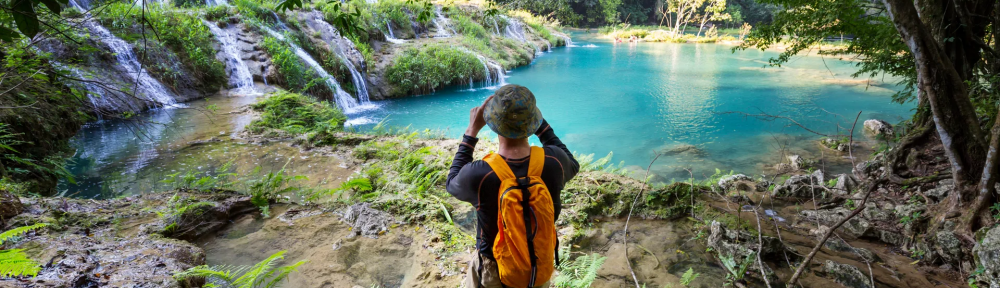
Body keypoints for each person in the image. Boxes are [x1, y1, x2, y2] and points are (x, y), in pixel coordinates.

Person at [446, 84, 580, 288]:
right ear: (533, 123)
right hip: (538, 266)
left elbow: (451, 181)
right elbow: (573, 163)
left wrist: (471, 131)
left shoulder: (480, 173)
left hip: (493, 271)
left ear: (492, 124)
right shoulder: (554, 162)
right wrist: (536, 121)